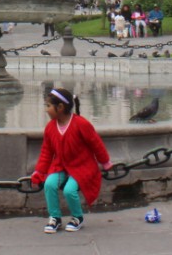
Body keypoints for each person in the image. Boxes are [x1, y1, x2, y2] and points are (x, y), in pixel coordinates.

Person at [29, 87, 111, 234]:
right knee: (49, 184)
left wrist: (105, 162)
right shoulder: (50, 128)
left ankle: (77, 217)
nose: (46, 110)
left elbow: (96, 144)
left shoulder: (81, 124)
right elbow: (46, 152)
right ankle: (55, 217)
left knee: (69, 190)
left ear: (60, 107)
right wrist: (40, 172)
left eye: (48, 106)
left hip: (82, 166)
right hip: (61, 166)